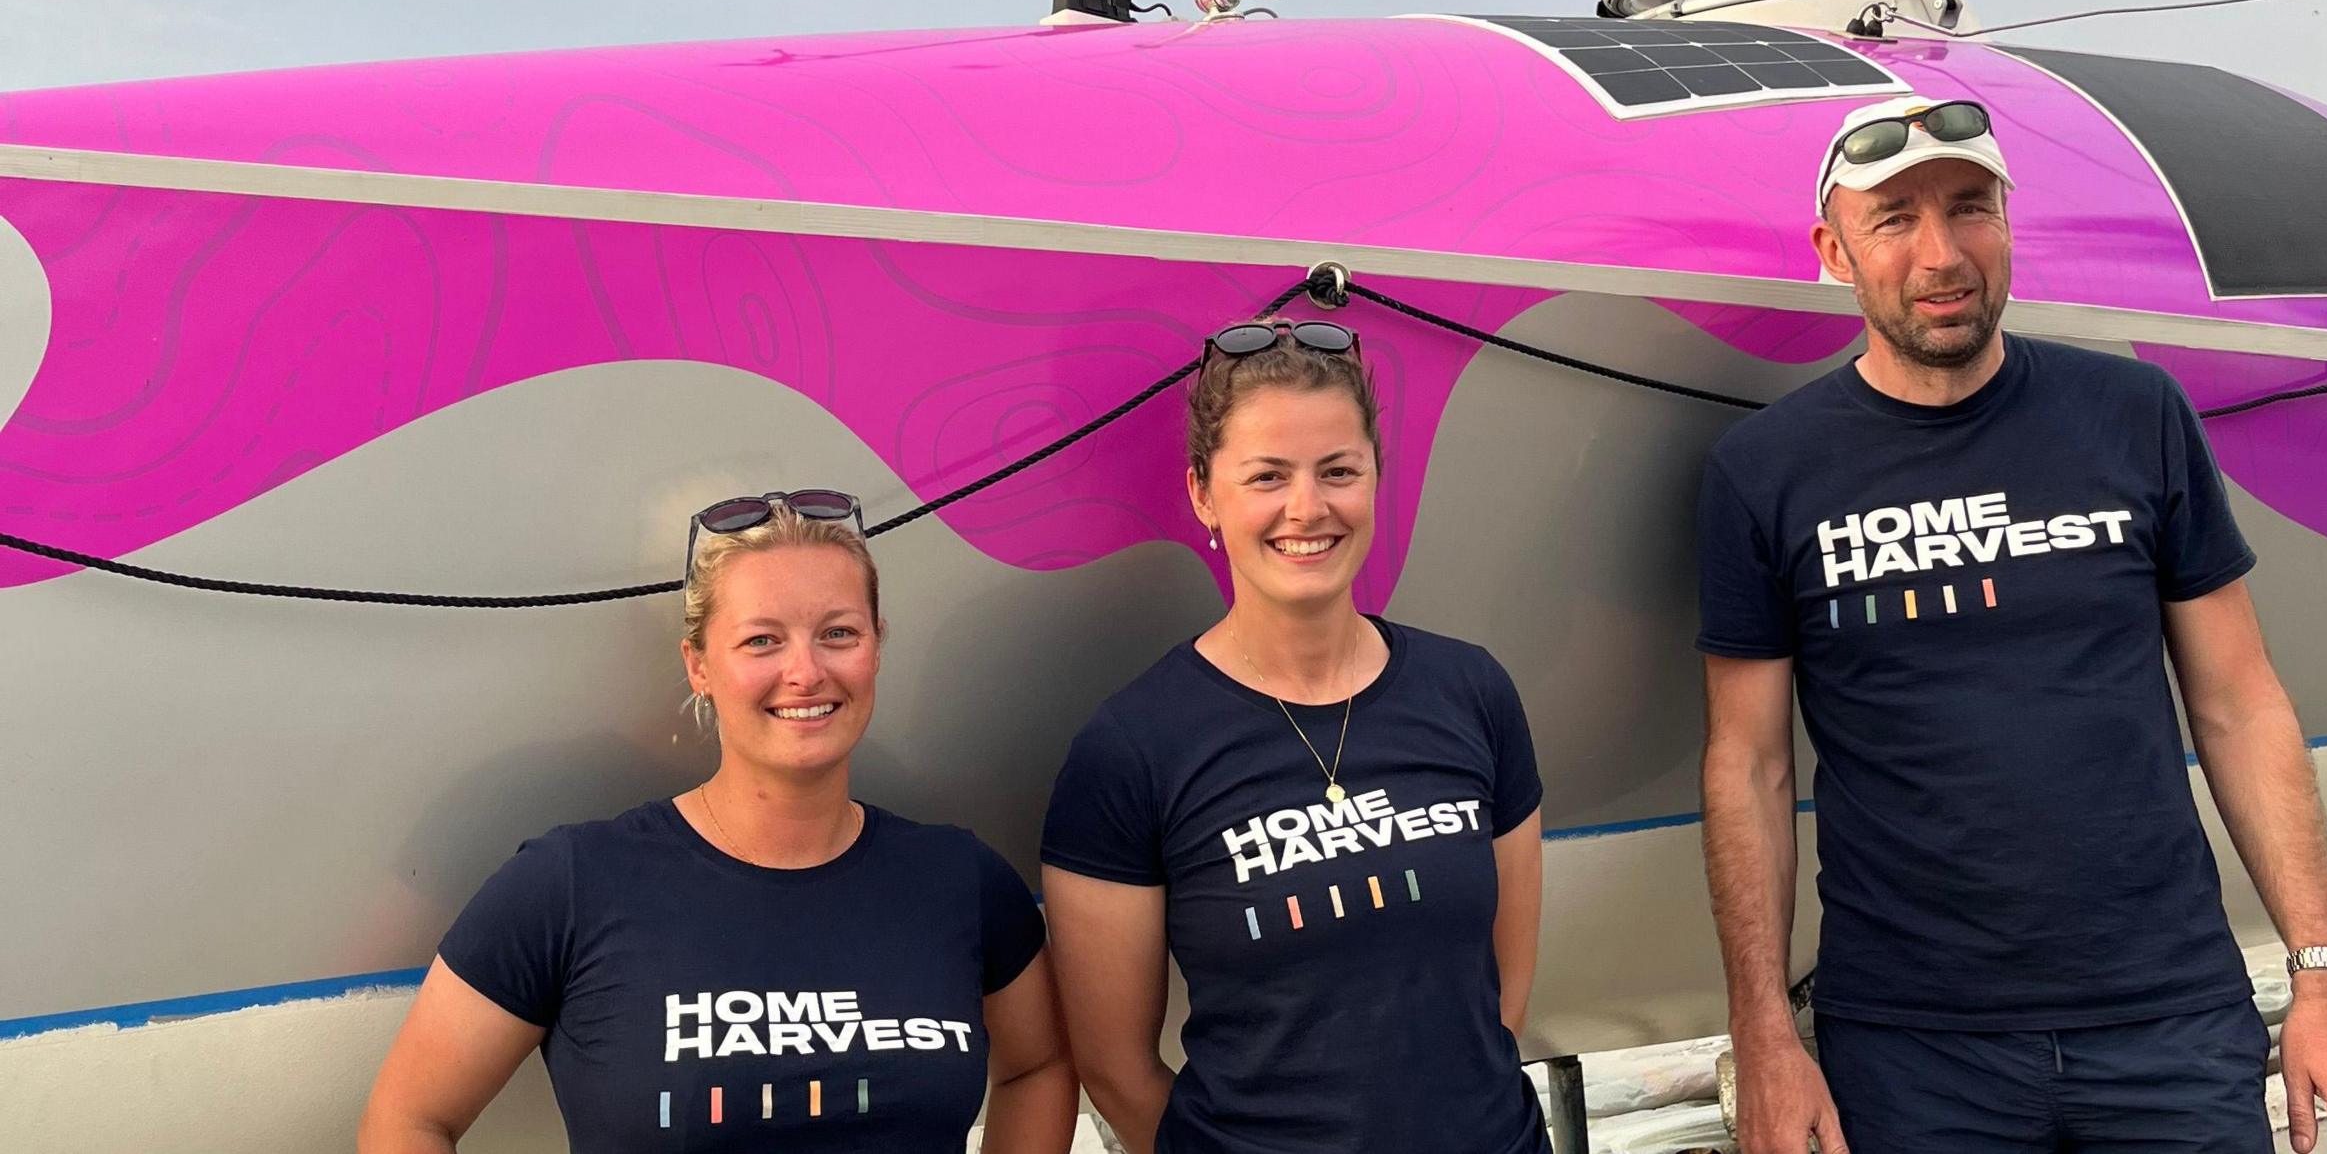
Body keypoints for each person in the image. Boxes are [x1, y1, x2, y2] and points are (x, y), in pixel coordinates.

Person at [1694, 98, 2327, 1154]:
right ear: (1833, 250)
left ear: (2009, 223)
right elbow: (1747, 765)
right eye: (1893, 219)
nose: (1941, 253)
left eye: (1969, 207)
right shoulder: (1762, 473)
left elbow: (2240, 703)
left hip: (2168, 1021)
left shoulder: (2134, 414)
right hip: (1914, 1049)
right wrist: (1763, 1032)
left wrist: (2323, 975)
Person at [359, 491, 1076, 1153]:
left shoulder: (961, 879)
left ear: (877, 647)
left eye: (839, 632)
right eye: (762, 640)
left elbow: (1038, 1067)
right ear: (698, 665)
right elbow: (410, 1116)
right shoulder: (570, 885)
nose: (805, 671)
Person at [1040, 319, 1550, 1154]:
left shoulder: (1472, 692)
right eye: (1267, 476)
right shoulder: (1130, 749)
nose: (1307, 508)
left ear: (1376, 477)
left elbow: (1502, 999)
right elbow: (1117, 1069)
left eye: (1338, 471)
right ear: (1205, 493)